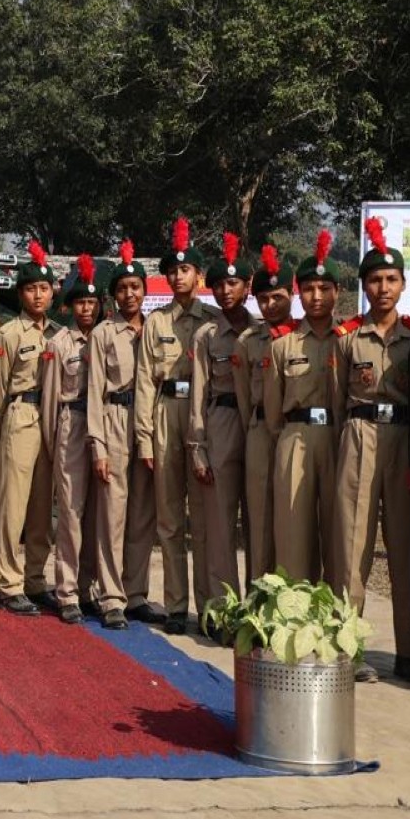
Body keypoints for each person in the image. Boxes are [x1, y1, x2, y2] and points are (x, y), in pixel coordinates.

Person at [333, 219, 410, 681]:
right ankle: (352, 648)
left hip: (402, 443)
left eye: (391, 279)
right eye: (375, 280)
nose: (383, 287)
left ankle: (407, 654)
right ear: (364, 286)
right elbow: (332, 398)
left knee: (403, 551)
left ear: (403, 284)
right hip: (359, 438)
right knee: (353, 550)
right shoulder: (348, 338)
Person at [134, 218, 215, 636]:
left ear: (199, 276)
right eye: (172, 270)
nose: (177, 275)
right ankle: (177, 605)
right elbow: (146, 380)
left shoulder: (214, 321)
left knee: (203, 520)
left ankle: (209, 607)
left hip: (201, 418)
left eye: (184, 270)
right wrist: (145, 439)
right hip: (166, 414)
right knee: (169, 521)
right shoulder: (156, 322)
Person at [264, 231, 340, 591]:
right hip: (293, 438)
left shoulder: (349, 339)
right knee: (293, 533)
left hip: (339, 440)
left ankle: (338, 618)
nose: (316, 296)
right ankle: (294, 614)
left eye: (324, 288)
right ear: (299, 294)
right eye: (309, 289)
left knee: (339, 533)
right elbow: (272, 409)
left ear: (337, 292)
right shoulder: (283, 344)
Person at [85, 242, 154, 630]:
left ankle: (137, 591)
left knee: (143, 513)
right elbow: (94, 390)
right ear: (114, 295)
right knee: (112, 512)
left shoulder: (155, 329)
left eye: (136, 286)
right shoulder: (103, 333)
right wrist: (97, 444)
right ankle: (111, 595)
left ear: (145, 291)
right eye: (123, 287)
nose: (130, 294)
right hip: (112, 418)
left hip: (145, 423)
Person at [0, 241, 55, 616]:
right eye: (31, 289)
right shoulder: (9, 334)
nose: (38, 295)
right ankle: (9, 583)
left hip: (50, 419)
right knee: (13, 503)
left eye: (44, 288)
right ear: (21, 293)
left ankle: (36, 578)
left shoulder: (56, 334)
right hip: (20, 415)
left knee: (43, 506)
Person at [188, 234, 253, 609]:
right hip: (221, 424)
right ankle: (223, 610)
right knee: (220, 526)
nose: (226, 291)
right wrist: (197, 448)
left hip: (256, 428)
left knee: (259, 526)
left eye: (233, 283)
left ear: (247, 286)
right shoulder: (206, 335)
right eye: (218, 285)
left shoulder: (261, 332)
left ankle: (260, 608)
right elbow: (198, 394)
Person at [40, 254, 101, 623]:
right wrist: (53, 442)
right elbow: (49, 398)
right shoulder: (59, 343)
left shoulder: (108, 336)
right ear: (70, 305)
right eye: (81, 301)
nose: (87, 308)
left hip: (104, 426)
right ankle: (66, 592)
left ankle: (89, 585)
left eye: (92, 302)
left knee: (98, 513)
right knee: (72, 512)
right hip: (72, 422)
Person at [236, 245, 293, 585]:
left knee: (293, 519)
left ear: (291, 294)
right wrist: (254, 430)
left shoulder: (304, 336)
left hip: (295, 430)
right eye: (263, 300)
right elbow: (244, 397)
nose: (270, 306)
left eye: (277, 298)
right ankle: (258, 599)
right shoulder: (247, 341)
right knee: (258, 519)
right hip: (258, 431)